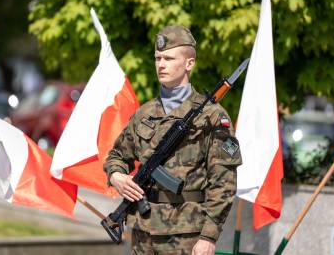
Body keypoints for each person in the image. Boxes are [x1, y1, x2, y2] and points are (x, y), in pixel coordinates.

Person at [104, 25, 242, 255]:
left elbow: (224, 184)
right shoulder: (144, 113)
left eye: (168, 58)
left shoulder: (213, 117)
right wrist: (116, 175)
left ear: (189, 63)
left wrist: (208, 236)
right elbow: (117, 155)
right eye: (158, 58)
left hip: (187, 236)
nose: (161, 64)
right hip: (143, 233)